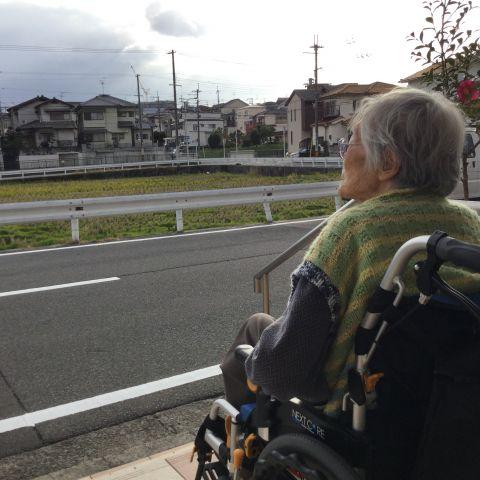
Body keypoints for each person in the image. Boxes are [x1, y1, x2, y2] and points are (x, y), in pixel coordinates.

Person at [220, 87, 480, 417]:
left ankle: (245, 434)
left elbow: (282, 374)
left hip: (352, 401)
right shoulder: (468, 225)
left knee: (256, 326)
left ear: (387, 162)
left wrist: (259, 365)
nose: (343, 155)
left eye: (349, 143)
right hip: (439, 403)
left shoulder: (352, 232)